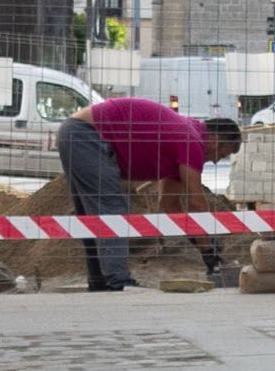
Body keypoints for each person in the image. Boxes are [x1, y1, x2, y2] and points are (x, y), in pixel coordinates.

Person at [59, 95, 244, 292]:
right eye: (222, 154)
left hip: (77, 133)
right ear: (215, 140)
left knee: (92, 217)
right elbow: (197, 204)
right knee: (111, 210)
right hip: (87, 135)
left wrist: (199, 241)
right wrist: (208, 250)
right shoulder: (192, 142)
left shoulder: (184, 139)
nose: (216, 161)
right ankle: (119, 282)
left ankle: (99, 281)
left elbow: (168, 205)